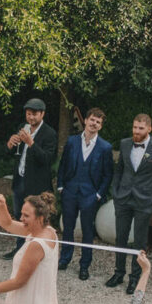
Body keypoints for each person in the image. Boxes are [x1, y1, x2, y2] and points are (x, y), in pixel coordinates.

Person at [105, 114, 152, 294]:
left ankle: (135, 279)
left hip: (145, 201)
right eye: (135, 127)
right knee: (120, 238)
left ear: (149, 129)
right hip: (124, 198)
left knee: (140, 242)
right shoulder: (125, 143)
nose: (137, 131)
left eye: (141, 128)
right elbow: (119, 170)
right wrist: (116, 192)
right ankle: (118, 273)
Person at [55, 106, 114, 279]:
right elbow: (63, 165)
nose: (94, 124)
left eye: (98, 122)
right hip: (70, 191)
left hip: (90, 195)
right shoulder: (72, 141)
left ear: (100, 126)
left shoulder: (105, 147)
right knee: (68, 228)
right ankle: (64, 259)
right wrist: (60, 186)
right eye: (92, 120)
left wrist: (98, 194)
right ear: (86, 121)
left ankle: (84, 266)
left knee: (88, 231)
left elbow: (108, 174)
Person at [3, 98, 57, 260]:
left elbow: (47, 160)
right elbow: (14, 155)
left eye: (34, 114)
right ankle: (20, 248)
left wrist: (31, 143)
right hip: (20, 180)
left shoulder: (49, 133)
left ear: (42, 114)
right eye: (28, 114)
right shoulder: (22, 127)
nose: (31, 118)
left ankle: (37, 250)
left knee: (37, 219)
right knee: (21, 216)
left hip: (37, 184)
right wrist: (10, 145)